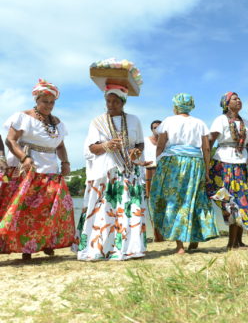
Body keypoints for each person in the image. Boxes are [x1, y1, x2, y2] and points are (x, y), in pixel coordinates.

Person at [0, 79, 75, 260]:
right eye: (44, 101)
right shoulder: (23, 117)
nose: (48, 105)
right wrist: (24, 158)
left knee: (52, 208)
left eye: (52, 102)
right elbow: (10, 140)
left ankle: (47, 243)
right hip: (28, 169)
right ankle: (27, 248)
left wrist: (65, 162)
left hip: (50, 170)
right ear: (37, 100)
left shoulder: (57, 123)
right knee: (27, 210)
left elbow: (60, 146)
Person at [74, 84, 147, 261]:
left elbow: (140, 143)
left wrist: (135, 151)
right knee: (105, 208)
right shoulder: (97, 121)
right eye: (108, 101)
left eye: (115, 101)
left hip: (128, 171)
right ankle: (100, 248)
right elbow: (92, 148)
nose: (111, 104)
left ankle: (130, 248)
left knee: (127, 208)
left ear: (123, 103)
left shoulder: (134, 120)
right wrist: (106, 146)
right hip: (106, 171)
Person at [150, 93, 219, 254]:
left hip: (173, 163)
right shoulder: (199, 123)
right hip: (195, 163)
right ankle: (195, 236)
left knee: (174, 201)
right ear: (191, 106)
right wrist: (207, 170)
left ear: (175, 106)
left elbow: (160, 145)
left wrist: (158, 164)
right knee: (194, 199)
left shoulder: (168, 121)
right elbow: (206, 148)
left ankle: (180, 246)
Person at [207, 92, 248, 250]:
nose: (239, 100)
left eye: (239, 98)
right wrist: (206, 164)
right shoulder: (220, 120)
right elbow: (210, 141)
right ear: (226, 103)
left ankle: (238, 242)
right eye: (234, 98)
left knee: (243, 201)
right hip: (224, 164)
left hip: (242, 165)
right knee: (232, 202)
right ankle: (231, 243)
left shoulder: (246, 122)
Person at [144, 120, 163, 242]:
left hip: (163, 171)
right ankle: (157, 236)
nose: (157, 130)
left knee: (164, 203)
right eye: (155, 128)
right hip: (149, 172)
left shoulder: (167, 142)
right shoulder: (145, 141)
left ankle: (165, 233)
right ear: (151, 129)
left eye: (159, 127)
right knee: (152, 204)